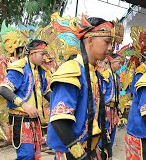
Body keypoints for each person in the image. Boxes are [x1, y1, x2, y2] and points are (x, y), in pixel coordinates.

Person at [47, 15, 118, 159]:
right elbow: (59, 121)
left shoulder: (95, 72)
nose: (110, 48)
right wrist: (80, 156)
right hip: (73, 153)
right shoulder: (71, 70)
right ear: (90, 39)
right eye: (107, 42)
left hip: (92, 149)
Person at [0, 40, 51, 159]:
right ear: (32, 53)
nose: (45, 57)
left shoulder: (40, 71)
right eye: (42, 54)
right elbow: (4, 89)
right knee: (26, 156)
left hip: (35, 119)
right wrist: (24, 105)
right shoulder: (19, 67)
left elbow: (46, 92)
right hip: (21, 120)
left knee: (35, 155)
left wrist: (60, 104)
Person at [100, 53, 124, 157]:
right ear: (112, 62)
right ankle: (102, 152)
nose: (120, 65)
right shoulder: (106, 75)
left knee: (113, 131)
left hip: (113, 108)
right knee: (105, 131)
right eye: (119, 63)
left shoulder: (116, 76)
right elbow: (101, 93)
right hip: (106, 108)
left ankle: (108, 152)